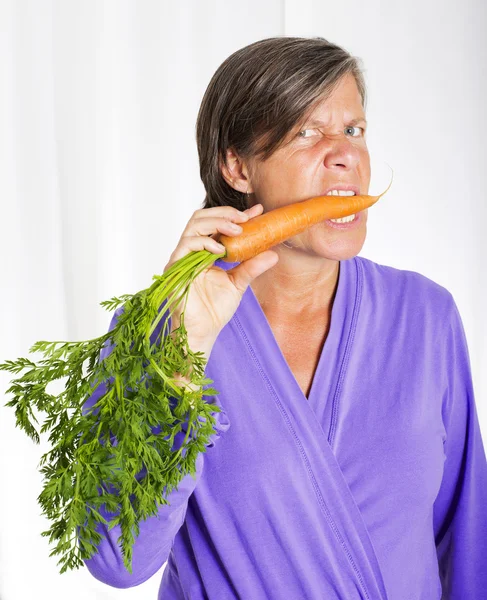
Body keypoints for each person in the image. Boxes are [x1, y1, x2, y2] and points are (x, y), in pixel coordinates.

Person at [83, 36, 487, 599]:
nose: (345, 153)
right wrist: (183, 352)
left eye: (353, 130)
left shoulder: (424, 317)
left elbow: (469, 548)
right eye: (306, 132)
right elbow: (115, 558)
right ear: (238, 167)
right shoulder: (160, 329)